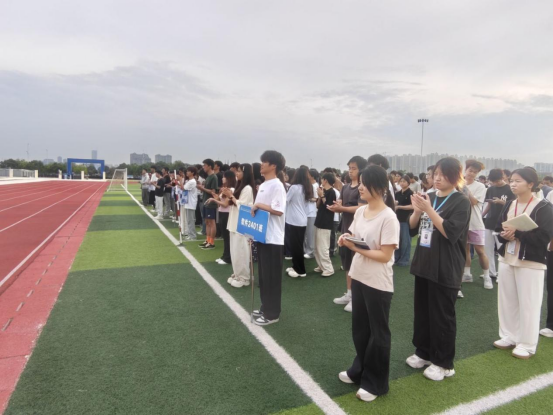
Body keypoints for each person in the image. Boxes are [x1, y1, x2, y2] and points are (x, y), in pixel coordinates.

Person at [337, 165, 399, 402]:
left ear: (380, 187)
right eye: (360, 182)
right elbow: (353, 235)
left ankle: (375, 383)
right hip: (359, 276)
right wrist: (346, 238)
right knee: (360, 330)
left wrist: (354, 247)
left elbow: (385, 255)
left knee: (378, 334)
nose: (360, 187)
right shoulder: (361, 211)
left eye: (364, 183)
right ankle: (359, 370)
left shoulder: (389, 217)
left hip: (378, 283)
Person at [406, 157, 471, 381]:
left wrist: (428, 209)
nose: (437, 178)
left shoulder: (461, 201)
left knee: (442, 316)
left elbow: (450, 232)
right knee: (423, 312)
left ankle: (443, 363)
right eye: (435, 174)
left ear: (455, 177)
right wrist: (418, 210)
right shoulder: (430, 196)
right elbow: (413, 228)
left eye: (443, 175)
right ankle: (423, 352)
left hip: (446, 266)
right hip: (425, 263)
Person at [494, 167, 553, 359]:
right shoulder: (509, 204)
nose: (513, 184)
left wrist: (518, 234)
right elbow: (498, 227)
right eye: (511, 180)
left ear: (531, 184)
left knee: (529, 304)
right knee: (507, 300)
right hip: (507, 258)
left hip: (531, 262)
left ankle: (527, 344)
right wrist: (504, 235)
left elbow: (544, 237)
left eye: (518, 181)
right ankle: (509, 336)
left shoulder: (543, 207)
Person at [251, 150, 287, 326]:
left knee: (272, 278)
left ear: (273, 166)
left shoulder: (277, 186)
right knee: (264, 277)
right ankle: (265, 307)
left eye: (264, 162)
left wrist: (258, 204)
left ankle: (272, 314)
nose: (261, 165)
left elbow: (278, 210)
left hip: (273, 239)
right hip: (263, 236)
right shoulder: (265, 184)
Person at [329, 156, 368, 312]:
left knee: (357, 262)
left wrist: (342, 208)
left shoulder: (363, 188)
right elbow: (341, 202)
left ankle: (357, 298)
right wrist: (337, 205)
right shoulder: (345, 187)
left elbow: (361, 207)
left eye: (354, 168)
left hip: (358, 230)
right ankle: (350, 293)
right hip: (346, 228)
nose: (350, 171)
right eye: (349, 168)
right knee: (347, 263)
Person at [224, 163, 255, 288]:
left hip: (241, 223)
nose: (237, 173)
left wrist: (231, 196)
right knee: (235, 250)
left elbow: (244, 206)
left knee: (241, 250)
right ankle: (237, 273)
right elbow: (232, 203)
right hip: (234, 221)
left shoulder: (247, 188)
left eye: (239, 171)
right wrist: (228, 196)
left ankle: (244, 278)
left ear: (245, 173)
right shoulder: (240, 186)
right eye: (236, 171)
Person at [462, 160, 492, 289]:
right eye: (470, 171)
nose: (471, 174)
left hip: (475, 223)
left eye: (474, 172)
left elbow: (474, 202)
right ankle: (467, 274)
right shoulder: (458, 184)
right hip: (462, 223)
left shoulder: (480, 186)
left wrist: (465, 188)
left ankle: (487, 276)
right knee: (465, 250)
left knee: (480, 251)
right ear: (465, 170)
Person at [481, 168, 515, 280]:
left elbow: (514, 206)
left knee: (501, 250)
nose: (496, 183)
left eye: (497, 181)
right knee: (488, 249)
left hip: (502, 223)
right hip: (489, 221)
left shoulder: (510, 189)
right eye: (493, 181)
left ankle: (501, 275)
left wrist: (502, 202)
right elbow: (489, 204)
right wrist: (482, 215)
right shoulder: (490, 189)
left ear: (503, 177)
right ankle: (491, 272)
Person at [285, 166, 312, 278]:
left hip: (294, 220)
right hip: (301, 220)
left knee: (296, 247)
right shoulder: (306, 188)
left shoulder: (294, 188)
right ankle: (295, 266)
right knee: (298, 246)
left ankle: (300, 270)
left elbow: (285, 200)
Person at [206, 170, 236, 265]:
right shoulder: (224, 189)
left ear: (228, 178)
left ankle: (228, 258)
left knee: (227, 237)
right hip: (222, 213)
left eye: (224, 177)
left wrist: (214, 200)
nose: (222, 178)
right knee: (225, 236)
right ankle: (224, 255)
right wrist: (216, 198)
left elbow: (225, 204)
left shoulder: (231, 189)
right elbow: (221, 202)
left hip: (227, 214)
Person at [314, 172, 337, 276]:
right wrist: (320, 196)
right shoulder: (323, 191)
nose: (321, 181)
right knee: (317, 246)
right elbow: (318, 205)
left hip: (326, 223)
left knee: (323, 246)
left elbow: (329, 206)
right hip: (319, 221)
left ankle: (328, 268)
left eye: (322, 179)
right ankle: (321, 266)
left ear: (325, 180)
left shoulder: (332, 192)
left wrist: (322, 196)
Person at [197, 159, 219, 250]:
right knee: (207, 222)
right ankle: (207, 240)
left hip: (211, 202)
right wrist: (202, 187)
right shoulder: (208, 177)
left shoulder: (214, 177)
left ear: (210, 166)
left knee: (211, 222)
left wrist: (202, 188)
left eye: (205, 165)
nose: (203, 167)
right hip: (205, 201)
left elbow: (213, 191)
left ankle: (211, 242)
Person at [395, 175, 414, 266]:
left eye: (404, 181)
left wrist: (399, 207)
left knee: (406, 241)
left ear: (408, 183)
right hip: (397, 219)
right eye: (401, 181)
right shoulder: (397, 193)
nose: (402, 183)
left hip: (406, 219)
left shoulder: (411, 193)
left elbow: (412, 206)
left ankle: (404, 260)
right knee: (397, 240)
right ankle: (397, 258)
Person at [303, 169, 319, 259]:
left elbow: (316, 199)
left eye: (308, 174)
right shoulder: (310, 185)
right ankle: (306, 250)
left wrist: (308, 198)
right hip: (307, 212)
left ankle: (311, 252)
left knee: (310, 233)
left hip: (312, 212)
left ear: (312, 176)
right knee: (306, 233)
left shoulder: (315, 186)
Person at [182, 166, 198, 241]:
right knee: (188, 220)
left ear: (192, 173)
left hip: (191, 203)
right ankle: (190, 234)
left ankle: (193, 235)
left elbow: (183, 188)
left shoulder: (192, 181)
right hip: (188, 203)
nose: (187, 172)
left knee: (190, 220)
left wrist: (180, 180)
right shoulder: (189, 181)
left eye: (188, 171)